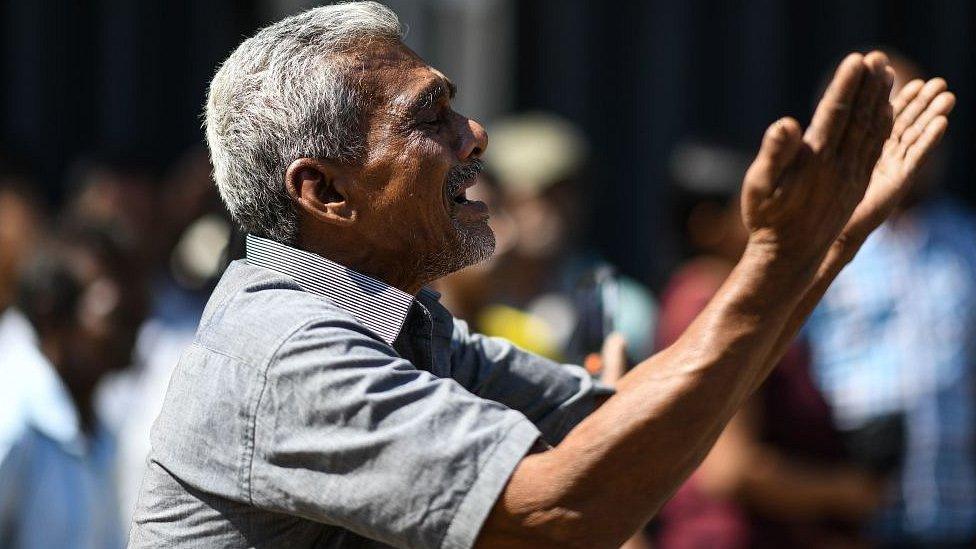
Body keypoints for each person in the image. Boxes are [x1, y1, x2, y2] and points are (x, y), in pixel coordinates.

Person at [128, 3, 953, 547]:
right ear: (325, 190)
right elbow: (560, 509)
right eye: (431, 118)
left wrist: (822, 247)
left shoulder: (401, 327)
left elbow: (623, 418)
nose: (475, 134)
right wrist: (778, 261)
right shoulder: (288, 353)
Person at [652, 142, 882, 548]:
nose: (779, 213)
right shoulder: (704, 303)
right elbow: (730, 468)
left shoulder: (727, 299)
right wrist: (842, 492)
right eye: (755, 203)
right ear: (707, 225)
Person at [805, 54, 976, 547]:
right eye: (896, 120)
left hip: (953, 514)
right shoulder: (821, 240)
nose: (914, 135)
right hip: (848, 521)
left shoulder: (963, 240)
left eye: (924, 117)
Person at [0, 225, 148, 549]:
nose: (137, 322)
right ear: (52, 313)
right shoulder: (11, 421)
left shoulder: (97, 423)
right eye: (118, 314)